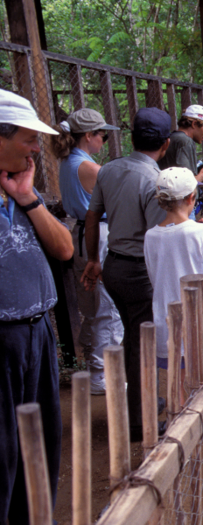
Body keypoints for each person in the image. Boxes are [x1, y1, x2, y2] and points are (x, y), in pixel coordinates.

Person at [0, 89, 73, 524]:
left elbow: (64, 249)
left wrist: (28, 199)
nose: (34, 148)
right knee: (4, 448)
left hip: (38, 333)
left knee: (42, 440)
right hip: (3, 339)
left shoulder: (21, 192)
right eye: (28, 139)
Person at [81, 107, 171, 442]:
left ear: (132, 138)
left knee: (132, 339)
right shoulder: (153, 180)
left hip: (113, 265)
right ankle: (138, 421)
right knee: (141, 343)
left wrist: (93, 259)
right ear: (165, 144)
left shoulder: (109, 170)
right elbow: (155, 236)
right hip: (138, 271)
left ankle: (141, 401)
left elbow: (92, 218)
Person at [52, 108, 123, 395]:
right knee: (109, 307)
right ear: (89, 136)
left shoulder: (69, 162)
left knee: (93, 306)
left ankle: (94, 368)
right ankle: (100, 376)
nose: (103, 141)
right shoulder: (90, 168)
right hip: (99, 236)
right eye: (102, 136)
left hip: (81, 235)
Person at [144, 167, 203, 382]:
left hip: (168, 321)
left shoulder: (150, 236)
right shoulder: (202, 232)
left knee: (180, 384)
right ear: (192, 197)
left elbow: (155, 278)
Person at [158, 104, 203, 185]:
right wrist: (202, 176)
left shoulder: (172, 137)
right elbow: (186, 183)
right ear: (194, 124)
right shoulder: (185, 141)